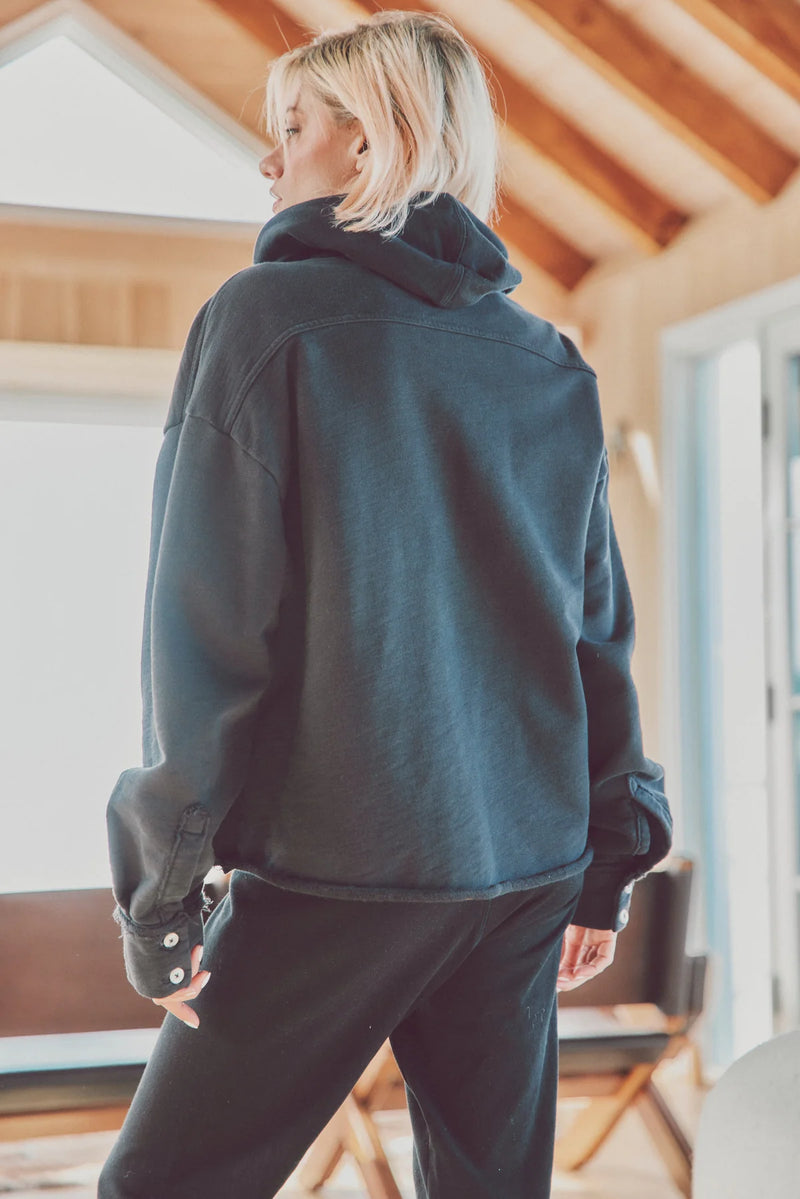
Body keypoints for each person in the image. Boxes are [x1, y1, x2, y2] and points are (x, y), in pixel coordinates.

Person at [98, 10, 672, 1199]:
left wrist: (161, 895)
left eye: (293, 126)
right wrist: (606, 859)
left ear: (370, 149)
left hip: (336, 869)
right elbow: (592, 637)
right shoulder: (548, 361)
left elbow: (209, 631)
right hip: (520, 865)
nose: (271, 159)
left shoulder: (263, 326)